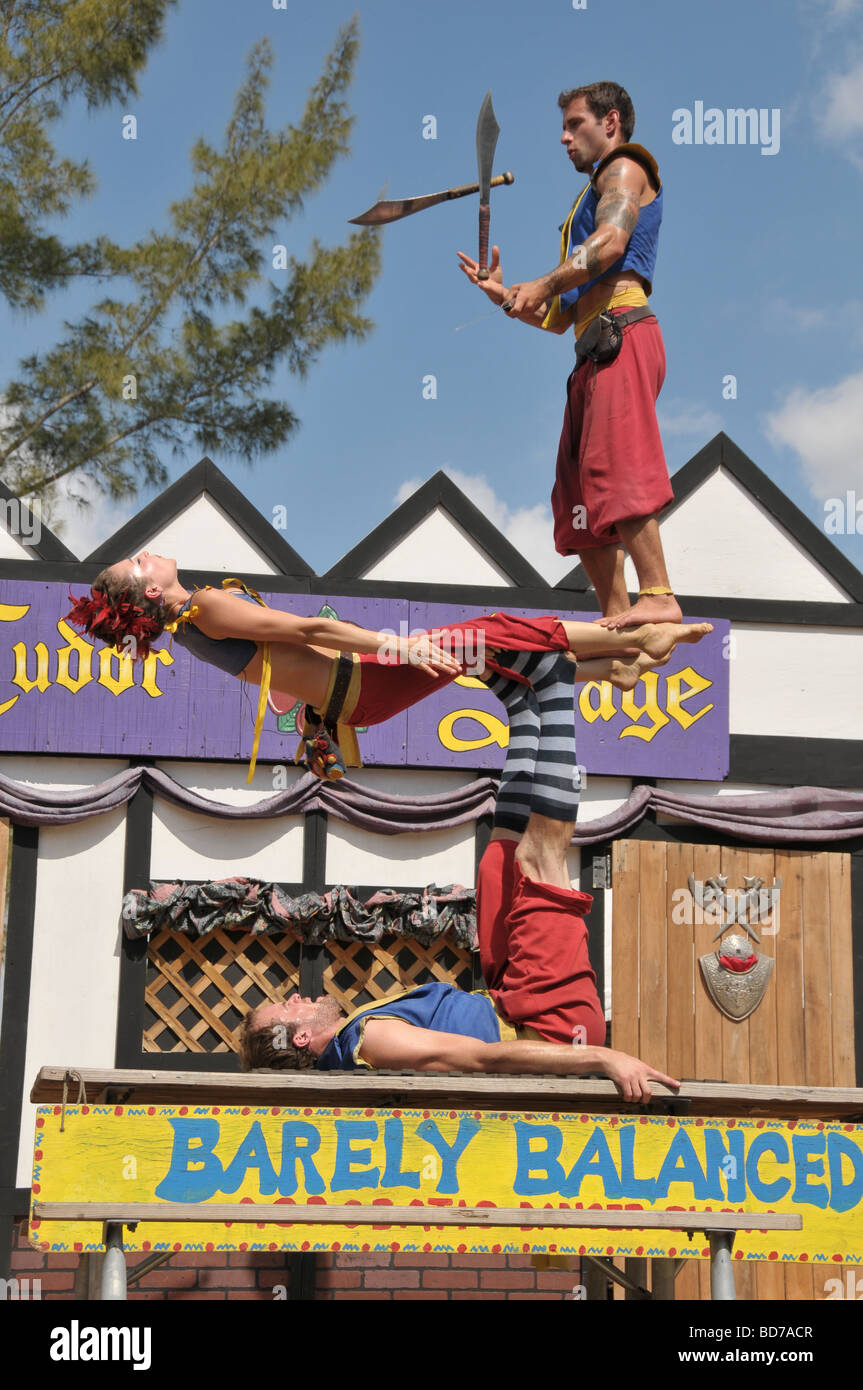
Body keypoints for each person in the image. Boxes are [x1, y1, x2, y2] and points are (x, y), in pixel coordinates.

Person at [238, 658, 680, 1103]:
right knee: (541, 860)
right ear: (297, 1038)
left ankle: (521, 709)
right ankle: (557, 688)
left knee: (496, 863)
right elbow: (487, 1059)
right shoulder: (369, 1044)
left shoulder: (355, 1036)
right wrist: (605, 1058)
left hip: (507, 995)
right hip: (550, 1024)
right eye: (286, 1006)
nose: (296, 995)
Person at [65, 551, 712, 779]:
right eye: (140, 563)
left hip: (352, 696)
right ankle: (620, 635)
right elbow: (309, 628)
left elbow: (285, 672)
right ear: (152, 592)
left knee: (484, 654)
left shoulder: (190, 630)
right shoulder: (204, 609)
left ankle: (617, 666)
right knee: (484, 633)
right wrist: (395, 645)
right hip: (365, 681)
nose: (148, 553)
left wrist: (318, 719)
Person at [458, 81, 678, 630]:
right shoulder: (584, 201)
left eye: (574, 124)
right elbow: (558, 319)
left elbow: (610, 244)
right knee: (576, 494)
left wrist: (543, 282)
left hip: (623, 334)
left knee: (619, 464)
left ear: (611, 122)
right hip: (591, 348)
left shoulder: (625, 169)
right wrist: (511, 297)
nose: (563, 137)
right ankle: (619, 618)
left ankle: (659, 594)